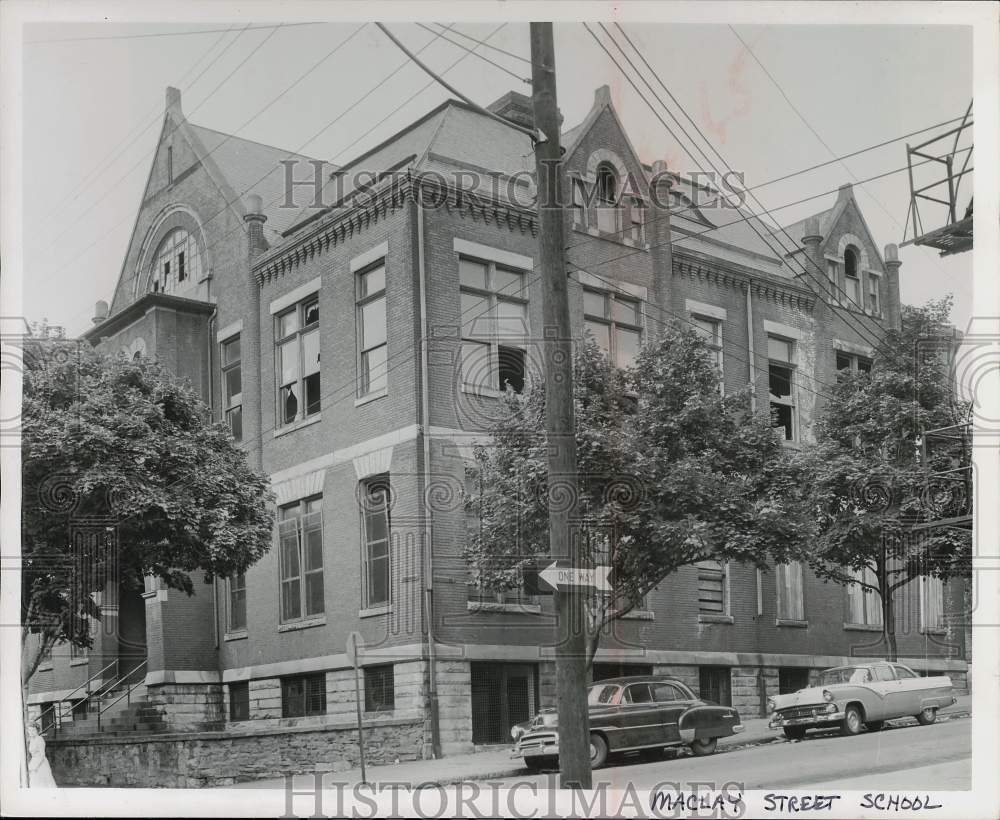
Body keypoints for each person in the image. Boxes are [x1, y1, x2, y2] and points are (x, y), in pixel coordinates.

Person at [26, 722, 57, 787]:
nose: (31, 732)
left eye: (33, 730)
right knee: (34, 782)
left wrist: (36, 766)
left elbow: (42, 755)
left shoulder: (39, 739)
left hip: (41, 763)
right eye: (29, 730)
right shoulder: (31, 739)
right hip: (34, 761)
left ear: (37, 730)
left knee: (42, 784)